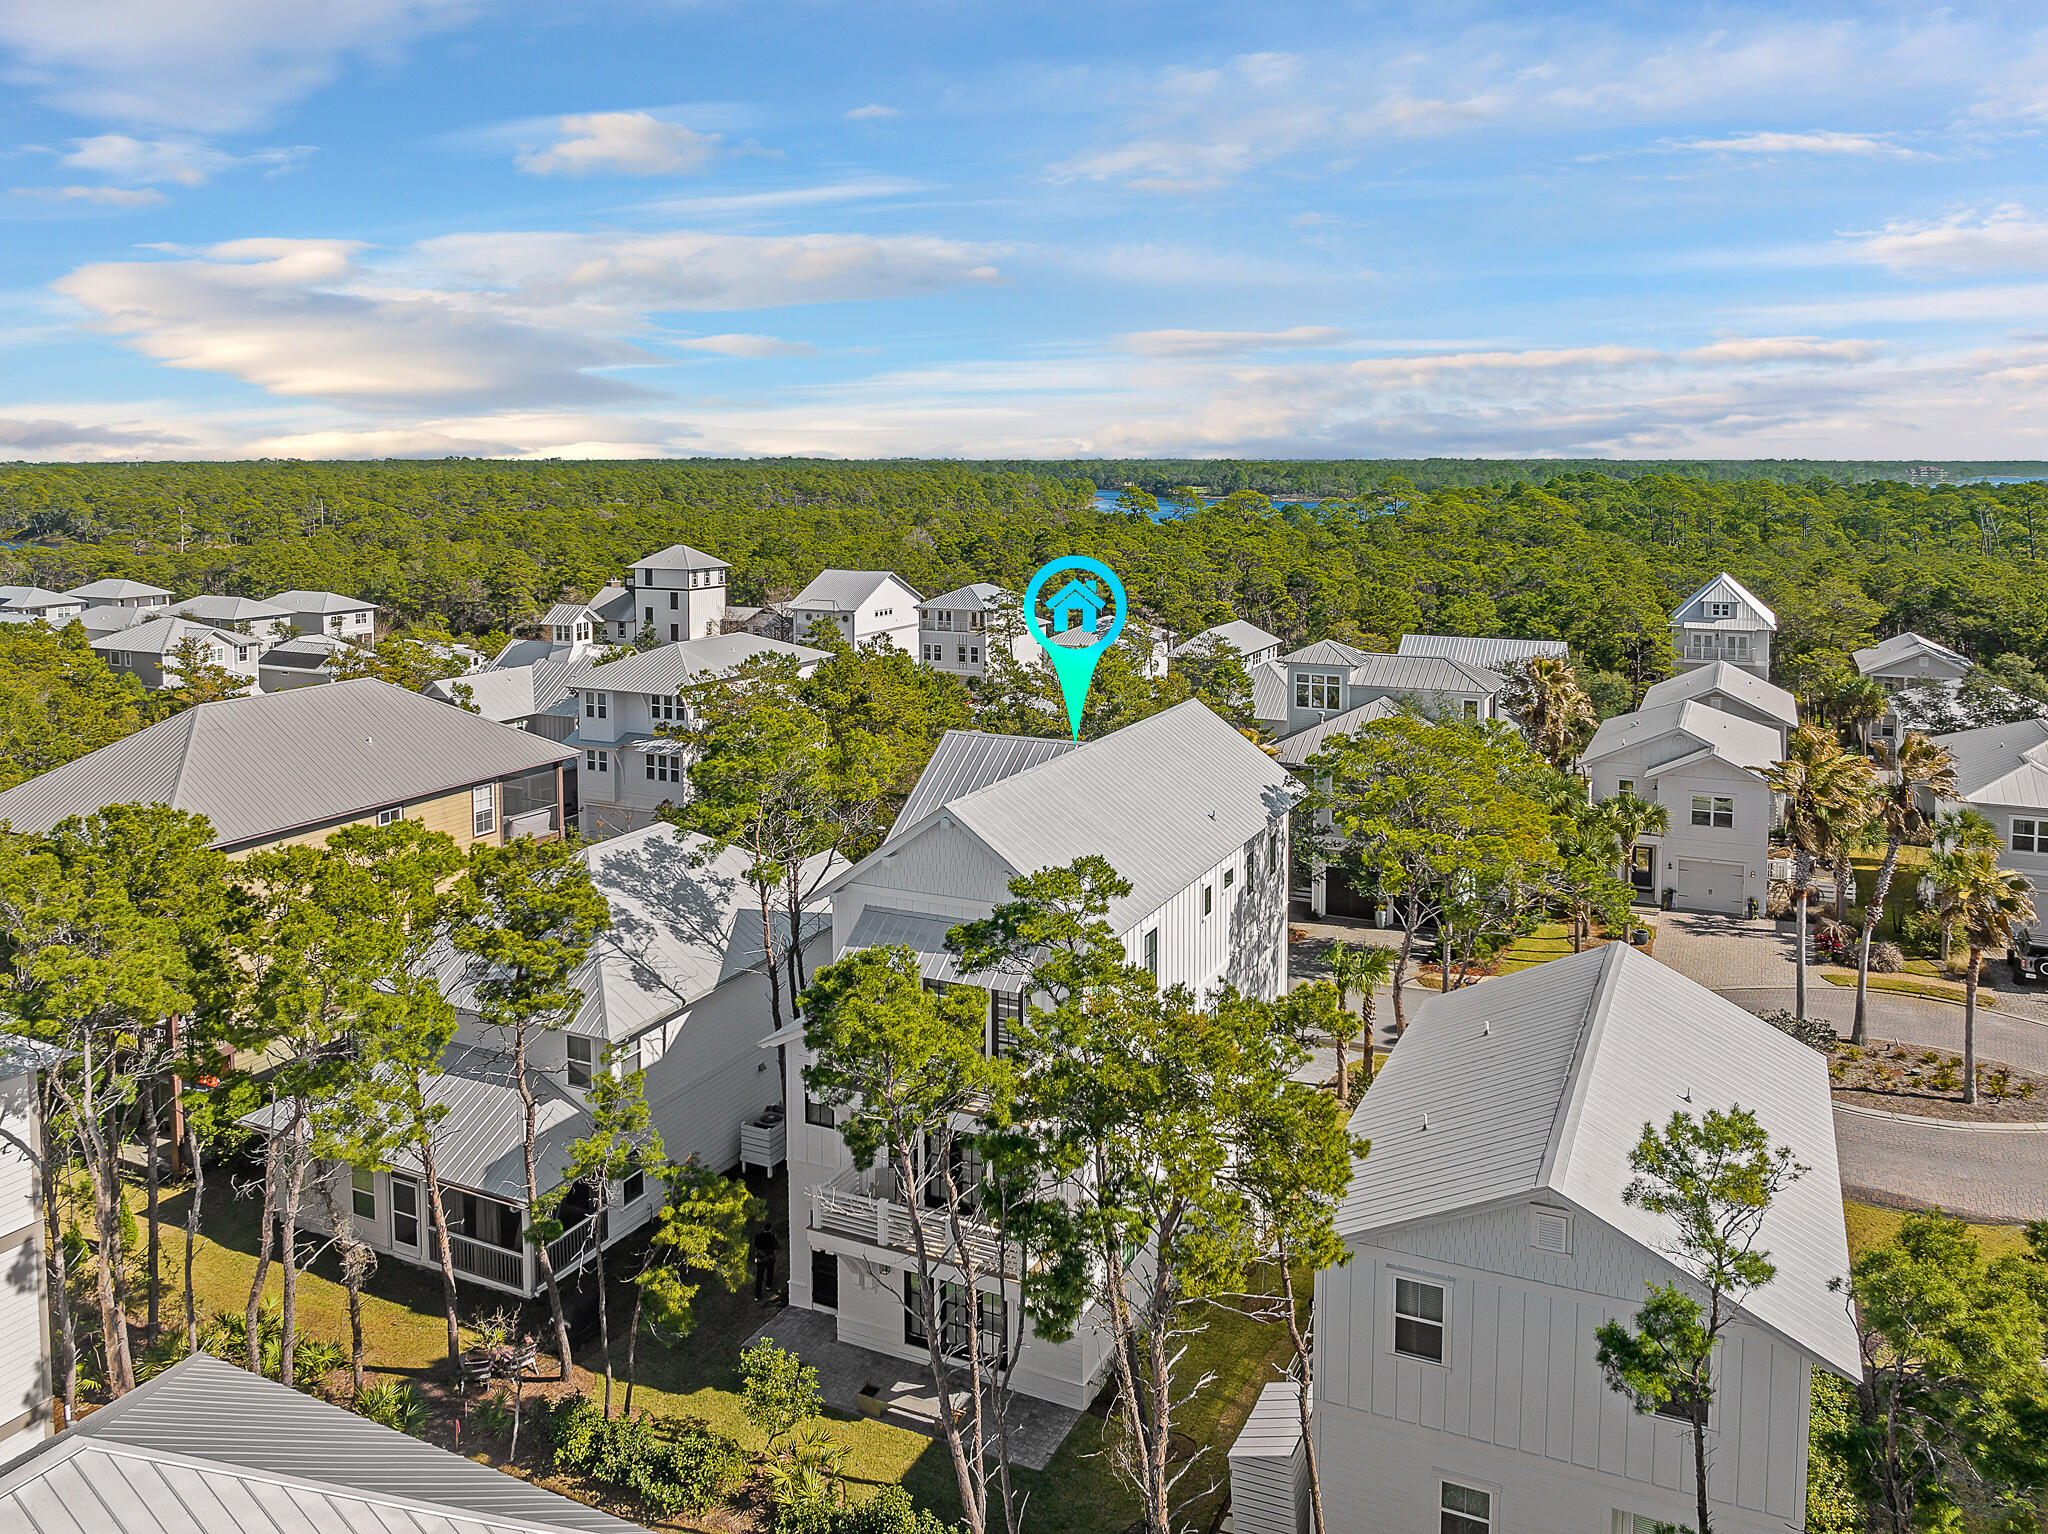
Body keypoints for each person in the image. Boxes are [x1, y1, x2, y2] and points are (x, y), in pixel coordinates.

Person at [751, 1226, 779, 1303]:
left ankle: (757, 1295)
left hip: (760, 1259)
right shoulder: (771, 1237)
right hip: (770, 1258)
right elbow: (776, 1246)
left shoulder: (758, 1236)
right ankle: (768, 1285)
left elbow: (755, 1245)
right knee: (770, 1272)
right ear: (770, 1229)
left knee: (759, 1276)